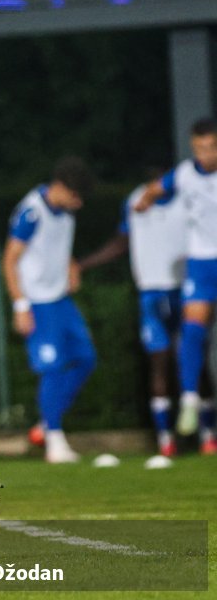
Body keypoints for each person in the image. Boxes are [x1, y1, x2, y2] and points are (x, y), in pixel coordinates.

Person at [78, 173, 198, 457]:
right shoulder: (133, 202)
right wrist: (82, 264)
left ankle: (205, 435)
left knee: (191, 358)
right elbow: (121, 242)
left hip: (184, 290)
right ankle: (165, 439)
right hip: (150, 294)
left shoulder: (188, 197)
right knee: (159, 362)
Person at [1, 158, 96, 464]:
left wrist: (70, 266)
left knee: (86, 359)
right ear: (63, 189)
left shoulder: (66, 214)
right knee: (52, 369)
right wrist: (20, 306)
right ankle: (54, 440)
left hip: (60, 300)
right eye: (77, 197)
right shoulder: (32, 212)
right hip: (38, 302)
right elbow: (10, 259)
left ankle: (45, 424)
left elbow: (57, 246)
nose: (79, 204)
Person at [134, 118, 217, 442]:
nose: (205, 154)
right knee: (192, 330)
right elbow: (158, 187)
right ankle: (189, 400)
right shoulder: (184, 174)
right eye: (199, 148)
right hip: (200, 263)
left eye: (210, 147)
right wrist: (145, 200)